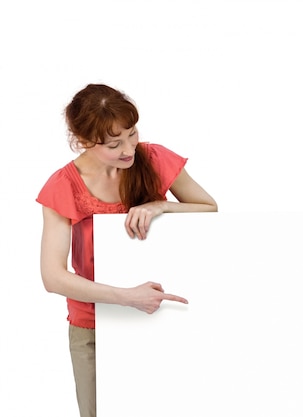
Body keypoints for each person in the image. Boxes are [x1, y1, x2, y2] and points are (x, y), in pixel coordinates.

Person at [37, 83, 218, 417]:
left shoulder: (154, 158)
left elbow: (210, 209)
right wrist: (128, 297)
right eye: (113, 144)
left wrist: (160, 206)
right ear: (84, 142)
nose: (128, 148)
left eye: (132, 134)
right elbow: (53, 277)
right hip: (93, 326)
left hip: (166, 314)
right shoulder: (63, 185)